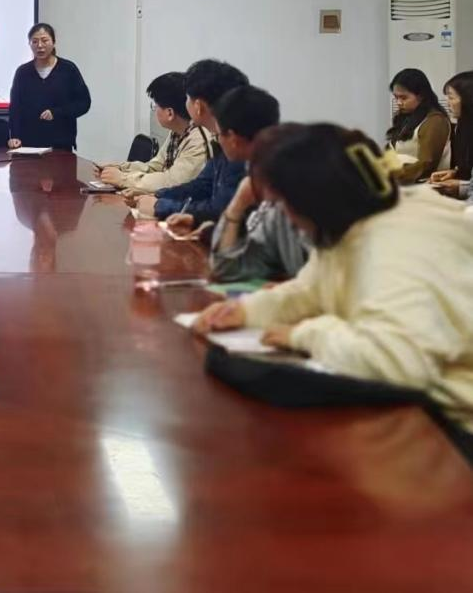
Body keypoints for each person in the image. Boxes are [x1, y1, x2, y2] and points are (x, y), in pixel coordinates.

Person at [194, 125, 473, 459]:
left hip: (455, 431)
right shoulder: (355, 222)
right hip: (423, 414)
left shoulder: (396, 242)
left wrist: (304, 334)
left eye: (284, 203)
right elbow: (310, 290)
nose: (285, 216)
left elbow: (397, 363)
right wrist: (247, 311)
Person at [136, 59, 249, 232]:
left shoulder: (236, 145)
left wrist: (160, 205)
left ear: (198, 106)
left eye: (187, 98)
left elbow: (217, 210)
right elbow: (201, 185)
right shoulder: (219, 138)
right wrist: (157, 196)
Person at [206, 95, 309, 284]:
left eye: (219, 135)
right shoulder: (274, 211)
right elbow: (225, 269)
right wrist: (236, 207)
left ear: (233, 138)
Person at [97, 72, 211, 192]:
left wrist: (123, 179)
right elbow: (155, 167)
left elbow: (172, 182)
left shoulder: (200, 140)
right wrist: (121, 168)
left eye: (155, 106)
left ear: (170, 113)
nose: (154, 110)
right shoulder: (178, 131)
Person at [6, 23, 91, 151]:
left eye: (44, 40)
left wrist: (57, 113)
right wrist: (14, 136)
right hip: (28, 145)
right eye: (35, 42)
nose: (40, 45)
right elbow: (15, 107)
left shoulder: (68, 69)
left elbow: (83, 103)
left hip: (61, 143)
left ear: (53, 42)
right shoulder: (23, 72)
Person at [385, 68, 450, 184]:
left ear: (421, 96)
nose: (399, 102)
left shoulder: (435, 121)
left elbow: (426, 163)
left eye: (404, 98)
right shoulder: (405, 118)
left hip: (424, 185)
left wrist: (393, 174)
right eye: (396, 97)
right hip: (404, 183)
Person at [429, 71, 473, 200]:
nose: (447, 103)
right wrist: (455, 173)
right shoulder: (462, 127)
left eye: (451, 97)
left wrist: (462, 186)